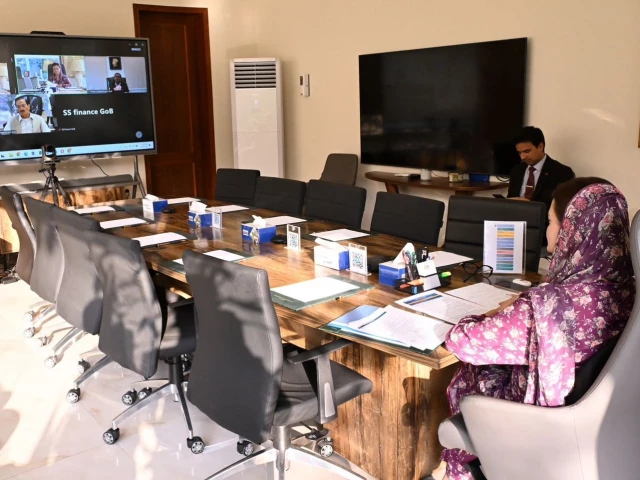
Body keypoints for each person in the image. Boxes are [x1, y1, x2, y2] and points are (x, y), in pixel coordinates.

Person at [441, 178, 635, 480]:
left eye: (551, 222)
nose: (547, 231)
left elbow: (463, 343)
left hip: (532, 423)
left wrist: (487, 315)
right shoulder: (629, 291)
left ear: (570, 230)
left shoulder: (550, 307)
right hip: (596, 427)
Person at [507, 126, 575, 213]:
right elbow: (510, 198)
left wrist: (530, 206)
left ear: (540, 146)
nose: (522, 157)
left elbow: (561, 209)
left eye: (527, 151)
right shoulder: (517, 170)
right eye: (519, 152)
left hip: (543, 220)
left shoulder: (562, 172)